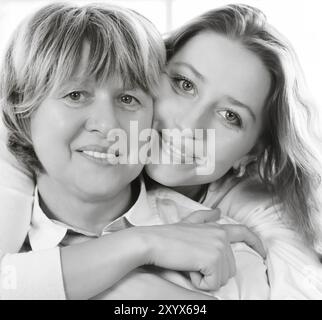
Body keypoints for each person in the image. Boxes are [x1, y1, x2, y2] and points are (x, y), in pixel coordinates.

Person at [0, 3, 267, 300]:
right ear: (22, 112)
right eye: (76, 95)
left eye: (128, 98)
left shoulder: (224, 252)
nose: (107, 124)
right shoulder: (10, 246)